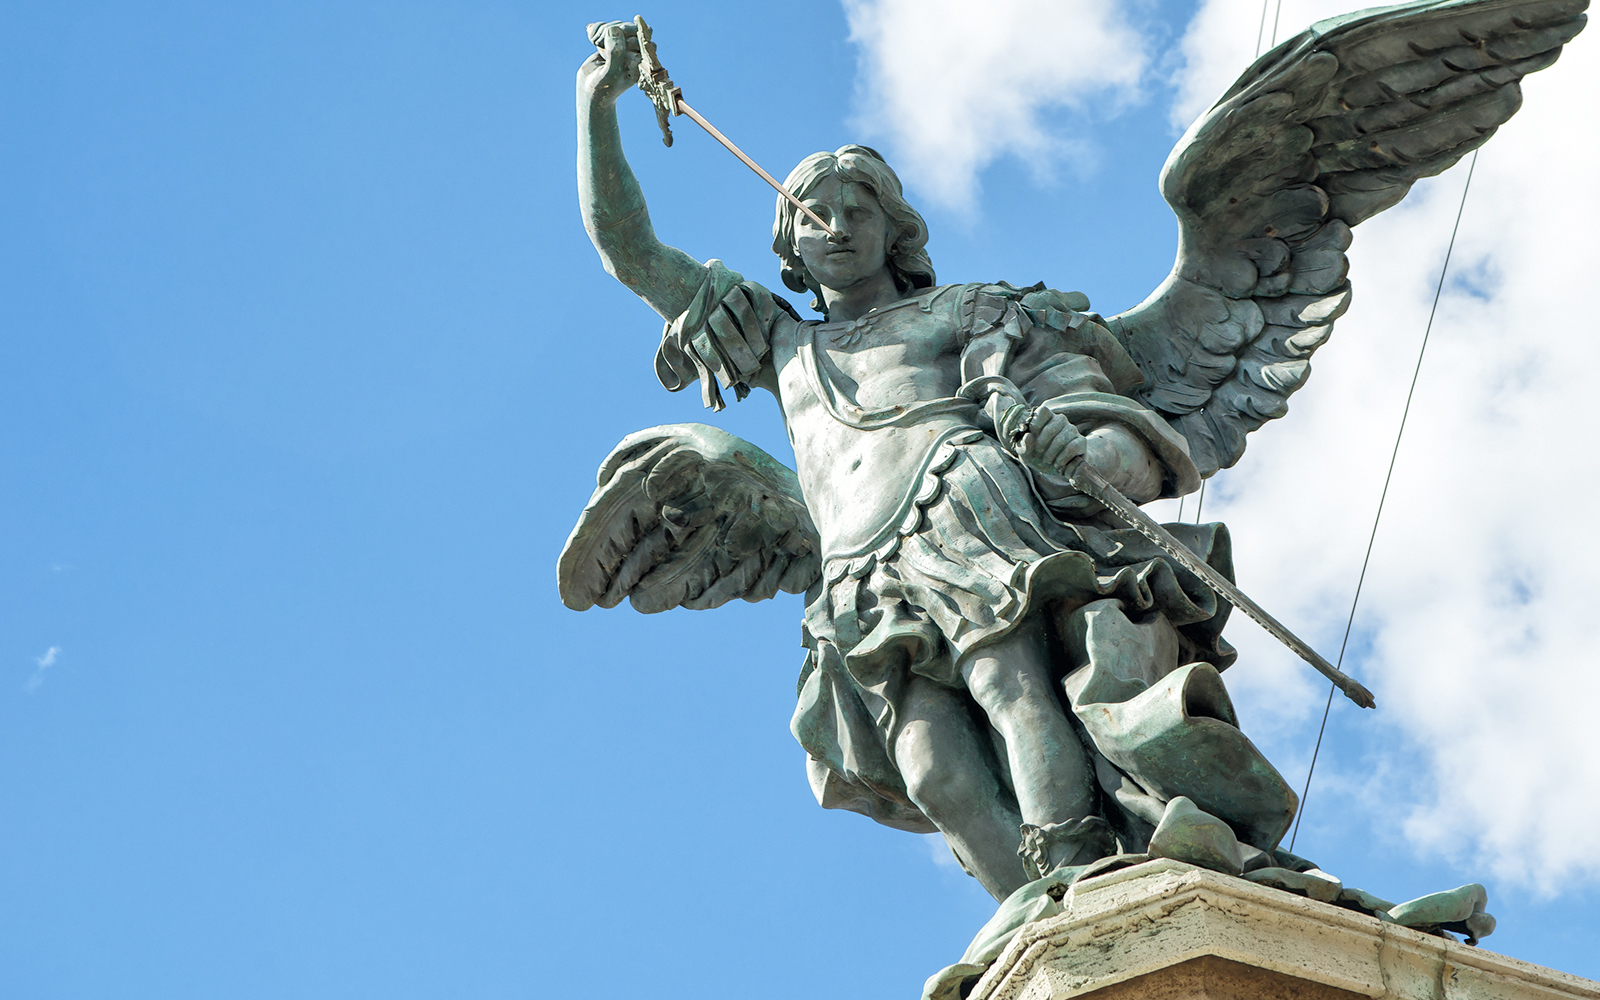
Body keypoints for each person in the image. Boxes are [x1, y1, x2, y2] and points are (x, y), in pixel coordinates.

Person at [577, 21, 1297, 901]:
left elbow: (1101, 416)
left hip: (959, 507)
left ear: (893, 228)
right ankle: (1035, 912)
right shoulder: (778, 342)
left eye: (858, 210)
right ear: (790, 250)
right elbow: (629, 249)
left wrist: (1083, 449)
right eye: (814, 216)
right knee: (932, 771)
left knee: (1011, 688)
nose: (836, 227)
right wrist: (597, 105)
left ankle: (1079, 868)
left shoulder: (961, 313)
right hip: (855, 569)